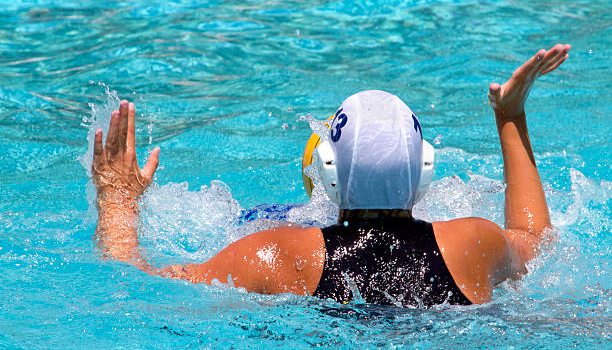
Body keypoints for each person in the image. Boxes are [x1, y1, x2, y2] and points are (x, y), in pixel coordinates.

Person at [91, 44, 571, 307]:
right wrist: (510, 116)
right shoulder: (471, 245)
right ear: (424, 172)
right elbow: (537, 239)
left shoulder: (278, 255)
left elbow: (137, 279)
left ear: (327, 173)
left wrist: (116, 197)